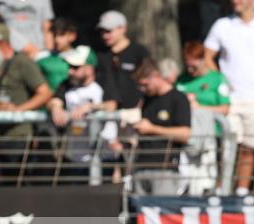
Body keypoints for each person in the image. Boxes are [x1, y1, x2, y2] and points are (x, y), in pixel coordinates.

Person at [204, 0, 254, 195]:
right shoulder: (222, 25)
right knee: (228, 147)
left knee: (249, 148)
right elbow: (207, 57)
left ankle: (242, 191)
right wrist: (221, 81)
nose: (235, 2)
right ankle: (222, 188)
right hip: (231, 99)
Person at [0, 23, 52, 183]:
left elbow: (45, 92)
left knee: (19, 184)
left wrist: (19, 109)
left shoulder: (22, 62)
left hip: (19, 135)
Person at [47, 46, 119, 178]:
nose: (70, 71)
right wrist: (55, 108)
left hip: (103, 155)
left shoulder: (103, 82)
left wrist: (90, 107)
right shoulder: (66, 85)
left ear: (89, 68)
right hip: (76, 157)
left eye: (75, 67)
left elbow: (112, 105)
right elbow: (55, 100)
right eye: (69, 67)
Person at [130, 58, 192, 196]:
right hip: (141, 167)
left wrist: (152, 129)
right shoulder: (147, 99)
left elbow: (185, 134)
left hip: (165, 168)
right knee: (140, 215)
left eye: (145, 85)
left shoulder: (178, 98)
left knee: (162, 214)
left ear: (156, 76)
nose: (143, 89)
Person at [95, 11, 150, 111]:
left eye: (109, 31)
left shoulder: (139, 52)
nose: (105, 36)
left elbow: (148, 80)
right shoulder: (100, 55)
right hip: (107, 113)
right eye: (102, 31)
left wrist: (143, 105)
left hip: (134, 111)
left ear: (123, 28)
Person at [37, 18, 96, 92]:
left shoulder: (86, 53)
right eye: (54, 35)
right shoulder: (43, 60)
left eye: (61, 34)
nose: (56, 39)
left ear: (73, 35)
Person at [175, 41, 231, 117]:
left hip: (211, 125)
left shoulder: (218, 79)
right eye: (187, 66)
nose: (190, 70)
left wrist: (200, 108)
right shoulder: (181, 80)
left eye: (194, 67)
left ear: (203, 59)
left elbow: (225, 110)